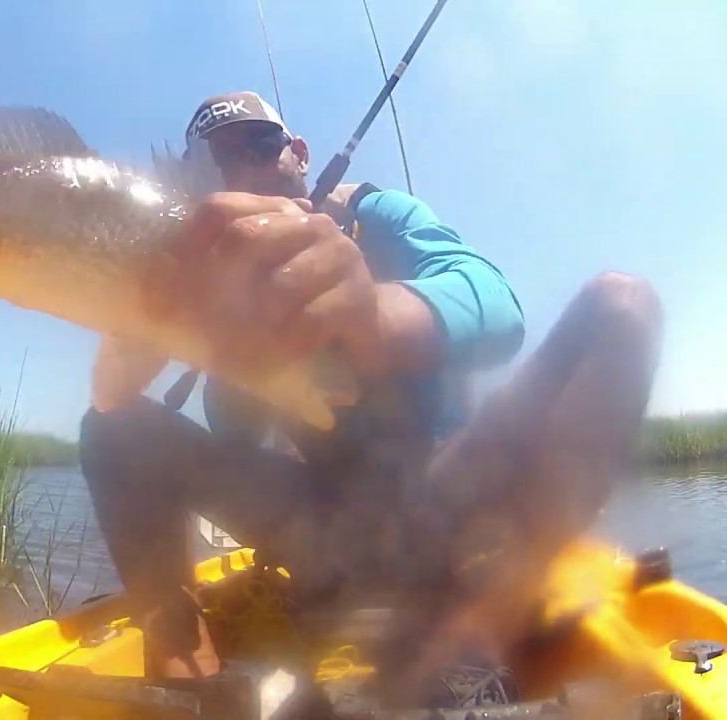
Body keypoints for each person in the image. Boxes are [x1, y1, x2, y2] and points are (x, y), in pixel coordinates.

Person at [77, 90, 663, 698]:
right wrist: (165, 336)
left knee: (623, 307)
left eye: (258, 143)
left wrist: (368, 316)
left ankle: (483, 635)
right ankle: (187, 676)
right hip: (324, 528)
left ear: (298, 153)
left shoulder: (376, 213)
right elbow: (231, 435)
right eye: (216, 161)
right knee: (110, 422)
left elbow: (496, 304)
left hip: (449, 501)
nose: (242, 169)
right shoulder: (211, 276)